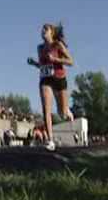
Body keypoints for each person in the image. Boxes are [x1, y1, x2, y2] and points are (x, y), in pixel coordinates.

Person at [27, 22, 74, 151]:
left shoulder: (58, 45)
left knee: (62, 113)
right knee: (46, 110)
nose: (42, 31)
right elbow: (43, 66)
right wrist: (34, 63)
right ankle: (50, 140)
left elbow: (71, 61)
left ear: (51, 32)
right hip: (46, 79)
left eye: (45, 29)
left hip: (59, 78)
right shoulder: (40, 48)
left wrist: (56, 59)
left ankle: (67, 111)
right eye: (42, 29)